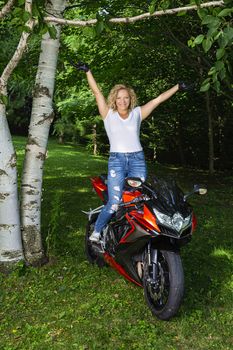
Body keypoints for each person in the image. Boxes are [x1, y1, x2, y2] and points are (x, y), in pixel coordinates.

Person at [74, 61, 189, 242]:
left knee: (139, 199)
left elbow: (157, 99)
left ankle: (132, 234)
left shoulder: (137, 113)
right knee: (114, 202)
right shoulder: (108, 114)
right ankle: (97, 231)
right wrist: (88, 71)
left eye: (126, 97)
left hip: (137, 161)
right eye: (119, 98)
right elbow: (97, 92)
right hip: (117, 162)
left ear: (130, 99)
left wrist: (178, 87)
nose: (122, 101)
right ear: (114, 99)